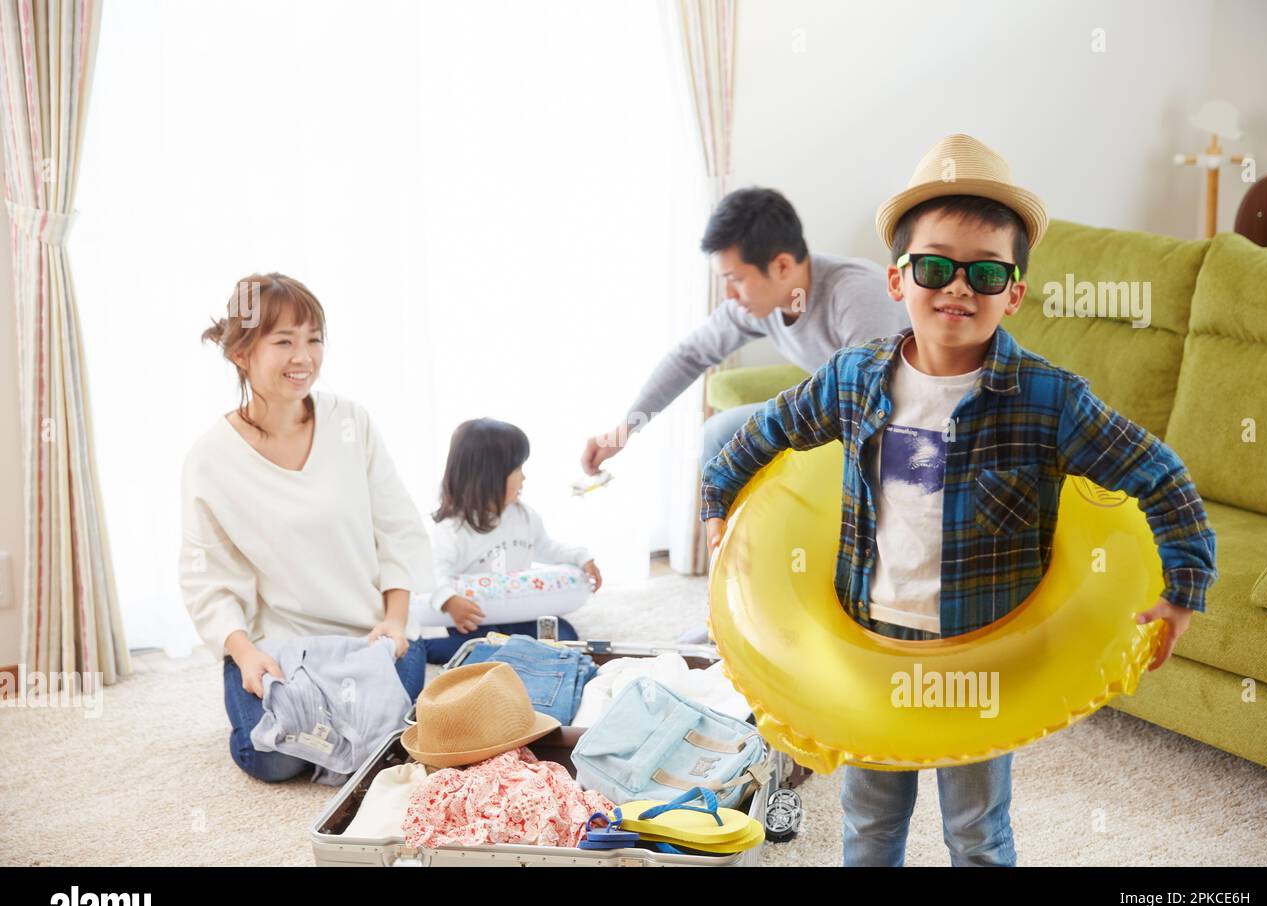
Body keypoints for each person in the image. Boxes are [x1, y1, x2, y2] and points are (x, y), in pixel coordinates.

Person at [699, 134, 1218, 866]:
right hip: (868, 633)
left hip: (983, 650)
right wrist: (718, 503)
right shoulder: (853, 379)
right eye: (935, 266)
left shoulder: (1050, 400)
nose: (958, 287)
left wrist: (1184, 589)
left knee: (976, 829)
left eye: (985, 272)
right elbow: (762, 436)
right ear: (896, 280)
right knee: (871, 823)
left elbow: (1160, 476)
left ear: (1015, 291)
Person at [179, 273, 438, 783]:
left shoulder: (351, 423)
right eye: (284, 342)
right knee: (274, 759)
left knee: (388, 746)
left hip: (369, 638)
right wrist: (245, 653)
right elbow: (206, 575)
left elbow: (398, 526)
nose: (304, 357)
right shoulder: (211, 459)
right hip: (279, 648)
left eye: (313, 339)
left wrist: (396, 620)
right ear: (241, 353)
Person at [580, 186, 909, 475]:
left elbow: (868, 400)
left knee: (720, 434)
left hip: (893, 420)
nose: (729, 296)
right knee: (719, 436)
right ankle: (728, 543)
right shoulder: (761, 303)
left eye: (735, 279)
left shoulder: (857, 295)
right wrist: (624, 431)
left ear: (781, 265)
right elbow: (688, 356)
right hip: (835, 409)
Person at [427, 418, 602, 662]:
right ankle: (423, 648)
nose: (524, 478)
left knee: (565, 635)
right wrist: (448, 601)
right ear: (490, 475)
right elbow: (432, 572)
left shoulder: (524, 515)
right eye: (518, 469)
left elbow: (546, 547)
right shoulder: (453, 529)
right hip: (475, 619)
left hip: (521, 613)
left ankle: (514, 651)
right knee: (479, 650)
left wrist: (581, 557)